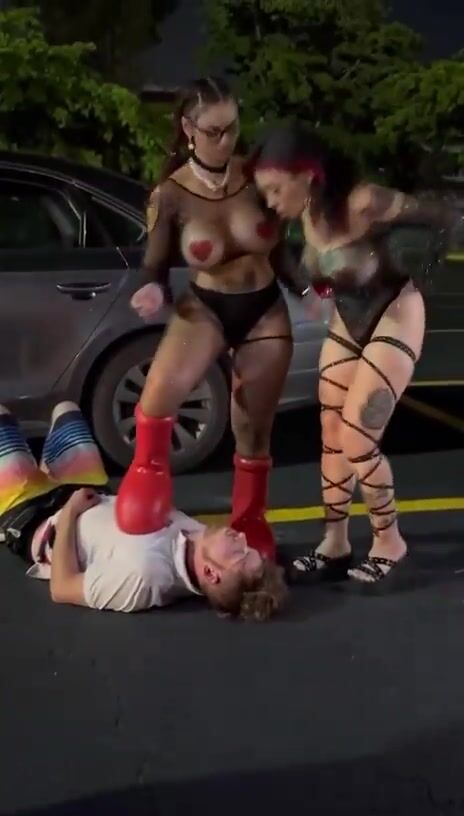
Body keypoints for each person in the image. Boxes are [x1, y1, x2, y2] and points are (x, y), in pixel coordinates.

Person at [249, 121, 459, 592]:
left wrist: (421, 268)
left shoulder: (363, 202)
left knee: (358, 436)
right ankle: (335, 542)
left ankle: (389, 542)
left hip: (395, 313)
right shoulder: (303, 216)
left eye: (275, 189)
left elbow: (444, 217)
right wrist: (310, 291)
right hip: (348, 318)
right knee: (330, 431)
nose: (270, 201)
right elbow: (290, 260)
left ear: (306, 175)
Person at [116, 77, 312, 559]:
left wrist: (307, 288)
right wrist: (152, 288)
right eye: (213, 131)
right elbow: (155, 265)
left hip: (263, 309)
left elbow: (280, 250)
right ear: (188, 129)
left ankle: (250, 519)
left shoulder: (256, 176)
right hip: (205, 307)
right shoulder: (171, 194)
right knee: (158, 398)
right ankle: (146, 487)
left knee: (253, 426)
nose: (225, 140)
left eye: (233, 128)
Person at [0, 402, 287, 619]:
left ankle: (28, 478)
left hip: (34, 516)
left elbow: (62, 588)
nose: (240, 537)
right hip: (88, 488)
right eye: (248, 547)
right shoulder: (203, 539)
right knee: (66, 409)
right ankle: (44, 470)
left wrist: (71, 512)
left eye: (239, 553)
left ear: (211, 574)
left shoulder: (144, 578)